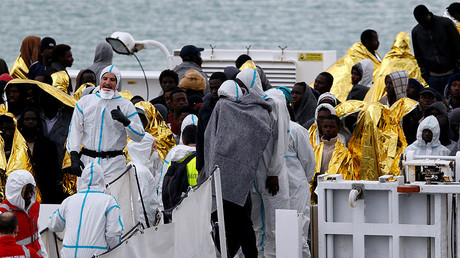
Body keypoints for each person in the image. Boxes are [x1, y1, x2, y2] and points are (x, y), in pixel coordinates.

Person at [204, 75, 270, 257]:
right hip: (237, 177)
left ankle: (229, 254)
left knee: (235, 222)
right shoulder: (251, 110)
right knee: (241, 223)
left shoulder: (223, 107)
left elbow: (211, 141)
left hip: (228, 177)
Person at [67, 65, 145, 179]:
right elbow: (75, 130)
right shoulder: (85, 102)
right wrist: (74, 156)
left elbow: (139, 136)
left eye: (112, 80)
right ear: (100, 80)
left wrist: (126, 122)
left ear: (117, 83)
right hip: (87, 162)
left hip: (114, 165)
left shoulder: (126, 105)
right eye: (105, 79)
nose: (108, 82)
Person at [48, 162, 123, 257]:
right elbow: (113, 234)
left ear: (82, 179)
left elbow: (53, 225)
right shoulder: (109, 201)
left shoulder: (68, 201)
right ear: (102, 179)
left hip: (68, 254)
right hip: (95, 254)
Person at [285, 97, 316, 258]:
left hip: (296, 188)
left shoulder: (296, 130)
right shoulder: (268, 129)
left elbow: (308, 162)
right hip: (278, 191)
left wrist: (302, 180)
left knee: (299, 231)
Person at [18, 107, 63, 204]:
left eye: (33, 119)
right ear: (22, 122)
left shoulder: (49, 145)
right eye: (27, 119)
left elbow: (53, 172)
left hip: (45, 191)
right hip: (21, 189)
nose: (30, 122)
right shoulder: (17, 145)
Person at [412, 4, 460, 94]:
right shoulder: (416, 32)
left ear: (428, 14)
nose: (423, 24)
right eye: (420, 22)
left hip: (452, 73)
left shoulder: (446, 24)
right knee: (437, 104)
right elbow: (418, 56)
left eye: (424, 21)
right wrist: (425, 75)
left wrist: (457, 68)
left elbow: (457, 46)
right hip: (433, 77)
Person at [0, 170, 47, 257]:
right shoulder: (3, 213)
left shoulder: (34, 206)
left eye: (31, 191)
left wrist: (44, 254)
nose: (29, 195)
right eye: (25, 192)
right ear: (15, 192)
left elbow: (36, 234)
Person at [311, 115, 353, 203]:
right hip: (317, 191)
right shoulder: (315, 149)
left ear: (338, 128)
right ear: (321, 128)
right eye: (325, 127)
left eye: (332, 127)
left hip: (335, 191)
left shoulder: (344, 152)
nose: (328, 129)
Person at [127, 133, 159, 228]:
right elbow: (140, 205)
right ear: (144, 149)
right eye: (153, 147)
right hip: (140, 228)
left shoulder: (131, 166)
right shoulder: (142, 172)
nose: (156, 150)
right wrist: (144, 229)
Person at [196, 72, 226, 171]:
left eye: (217, 88)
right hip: (208, 159)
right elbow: (200, 138)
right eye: (211, 88)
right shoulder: (204, 109)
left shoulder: (233, 108)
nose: (213, 91)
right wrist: (199, 166)